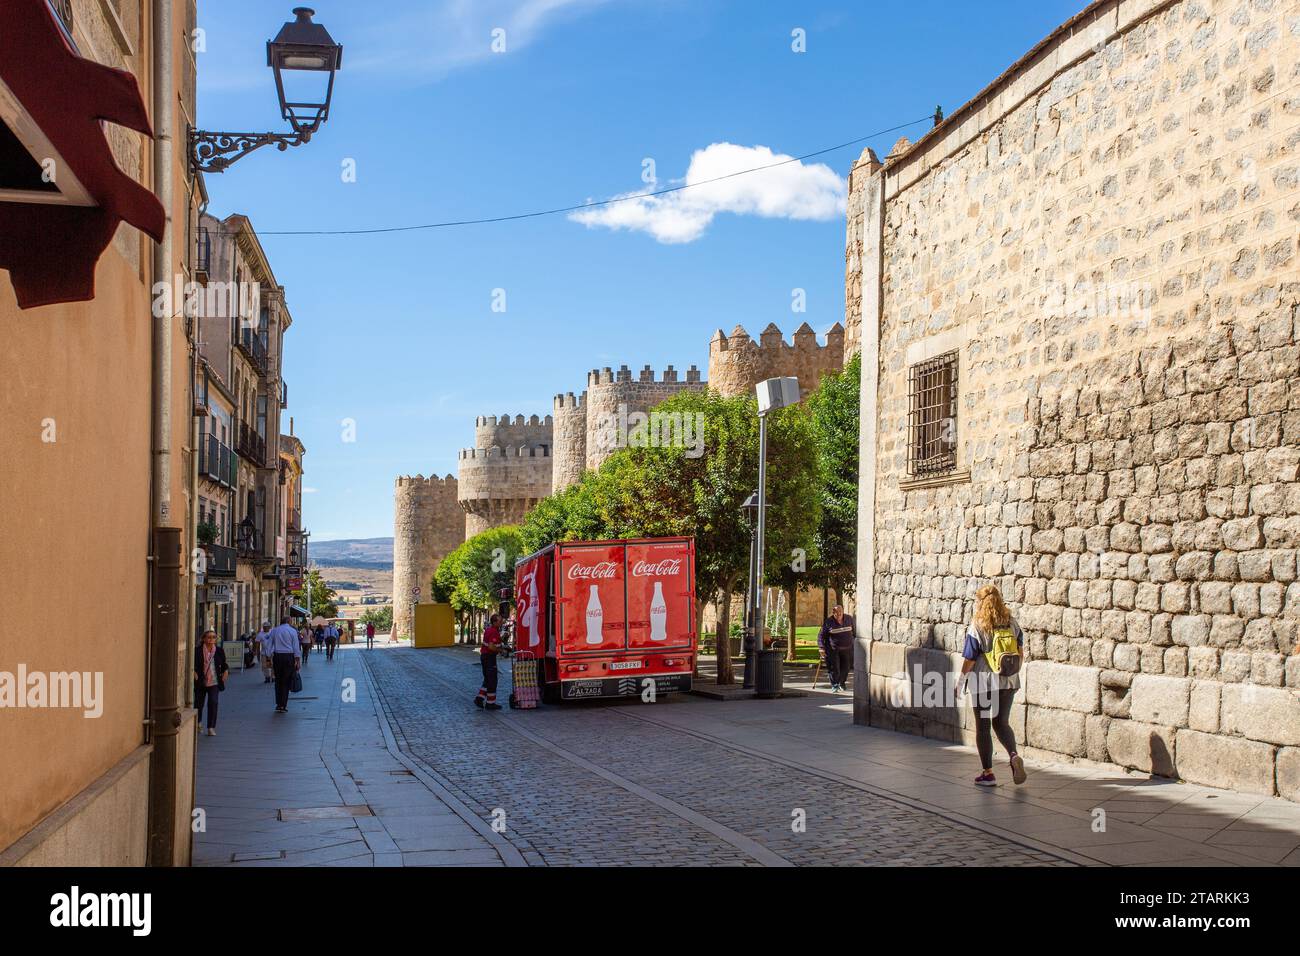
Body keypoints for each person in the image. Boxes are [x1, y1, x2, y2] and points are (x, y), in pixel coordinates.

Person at [959, 584, 1028, 788]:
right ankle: (1014, 755)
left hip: (983, 682)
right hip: (1008, 680)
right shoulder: (1012, 623)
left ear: (980, 602)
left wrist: (961, 680)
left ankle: (988, 774)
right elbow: (1021, 654)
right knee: (1001, 723)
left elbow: (970, 658)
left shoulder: (978, 626)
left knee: (983, 727)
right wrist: (1010, 675)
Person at [193, 629, 229, 737]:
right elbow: (191, 663)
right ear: (203, 639)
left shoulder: (219, 651)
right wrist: (193, 672)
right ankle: (198, 723)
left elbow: (224, 664)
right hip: (201, 681)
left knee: (213, 703)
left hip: (214, 681)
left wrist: (226, 671)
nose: (211, 639)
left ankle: (211, 727)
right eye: (209, 637)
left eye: (214, 637)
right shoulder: (197, 650)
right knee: (199, 704)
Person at [266, 616, 302, 713]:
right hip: (288, 657)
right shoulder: (292, 631)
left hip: (277, 657)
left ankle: (278, 704)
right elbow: (296, 646)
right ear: (288, 621)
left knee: (278, 680)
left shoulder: (274, 631)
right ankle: (283, 705)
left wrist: (268, 658)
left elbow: (269, 645)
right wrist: (297, 660)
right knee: (286, 681)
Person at [818, 604, 856, 693]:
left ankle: (841, 683)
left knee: (846, 668)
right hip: (833, 649)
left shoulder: (849, 619)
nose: (839, 614)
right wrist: (821, 648)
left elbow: (854, 632)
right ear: (833, 613)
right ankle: (835, 684)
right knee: (834, 668)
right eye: (836, 612)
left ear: (843, 611)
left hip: (847, 648)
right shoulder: (828, 622)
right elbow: (821, 636)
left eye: (840, 611)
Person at [474, 614, 505, 710]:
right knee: (492, 680)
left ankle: (479, 698)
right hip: (489, 658)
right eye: (500, 621)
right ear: (494, 622)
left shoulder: (489, 630)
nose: (501, 623)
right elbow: (491, 646)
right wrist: (501, 651)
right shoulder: (493, 632)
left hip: (485, 657)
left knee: (487, 679)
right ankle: (490, 703)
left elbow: (493, 643)